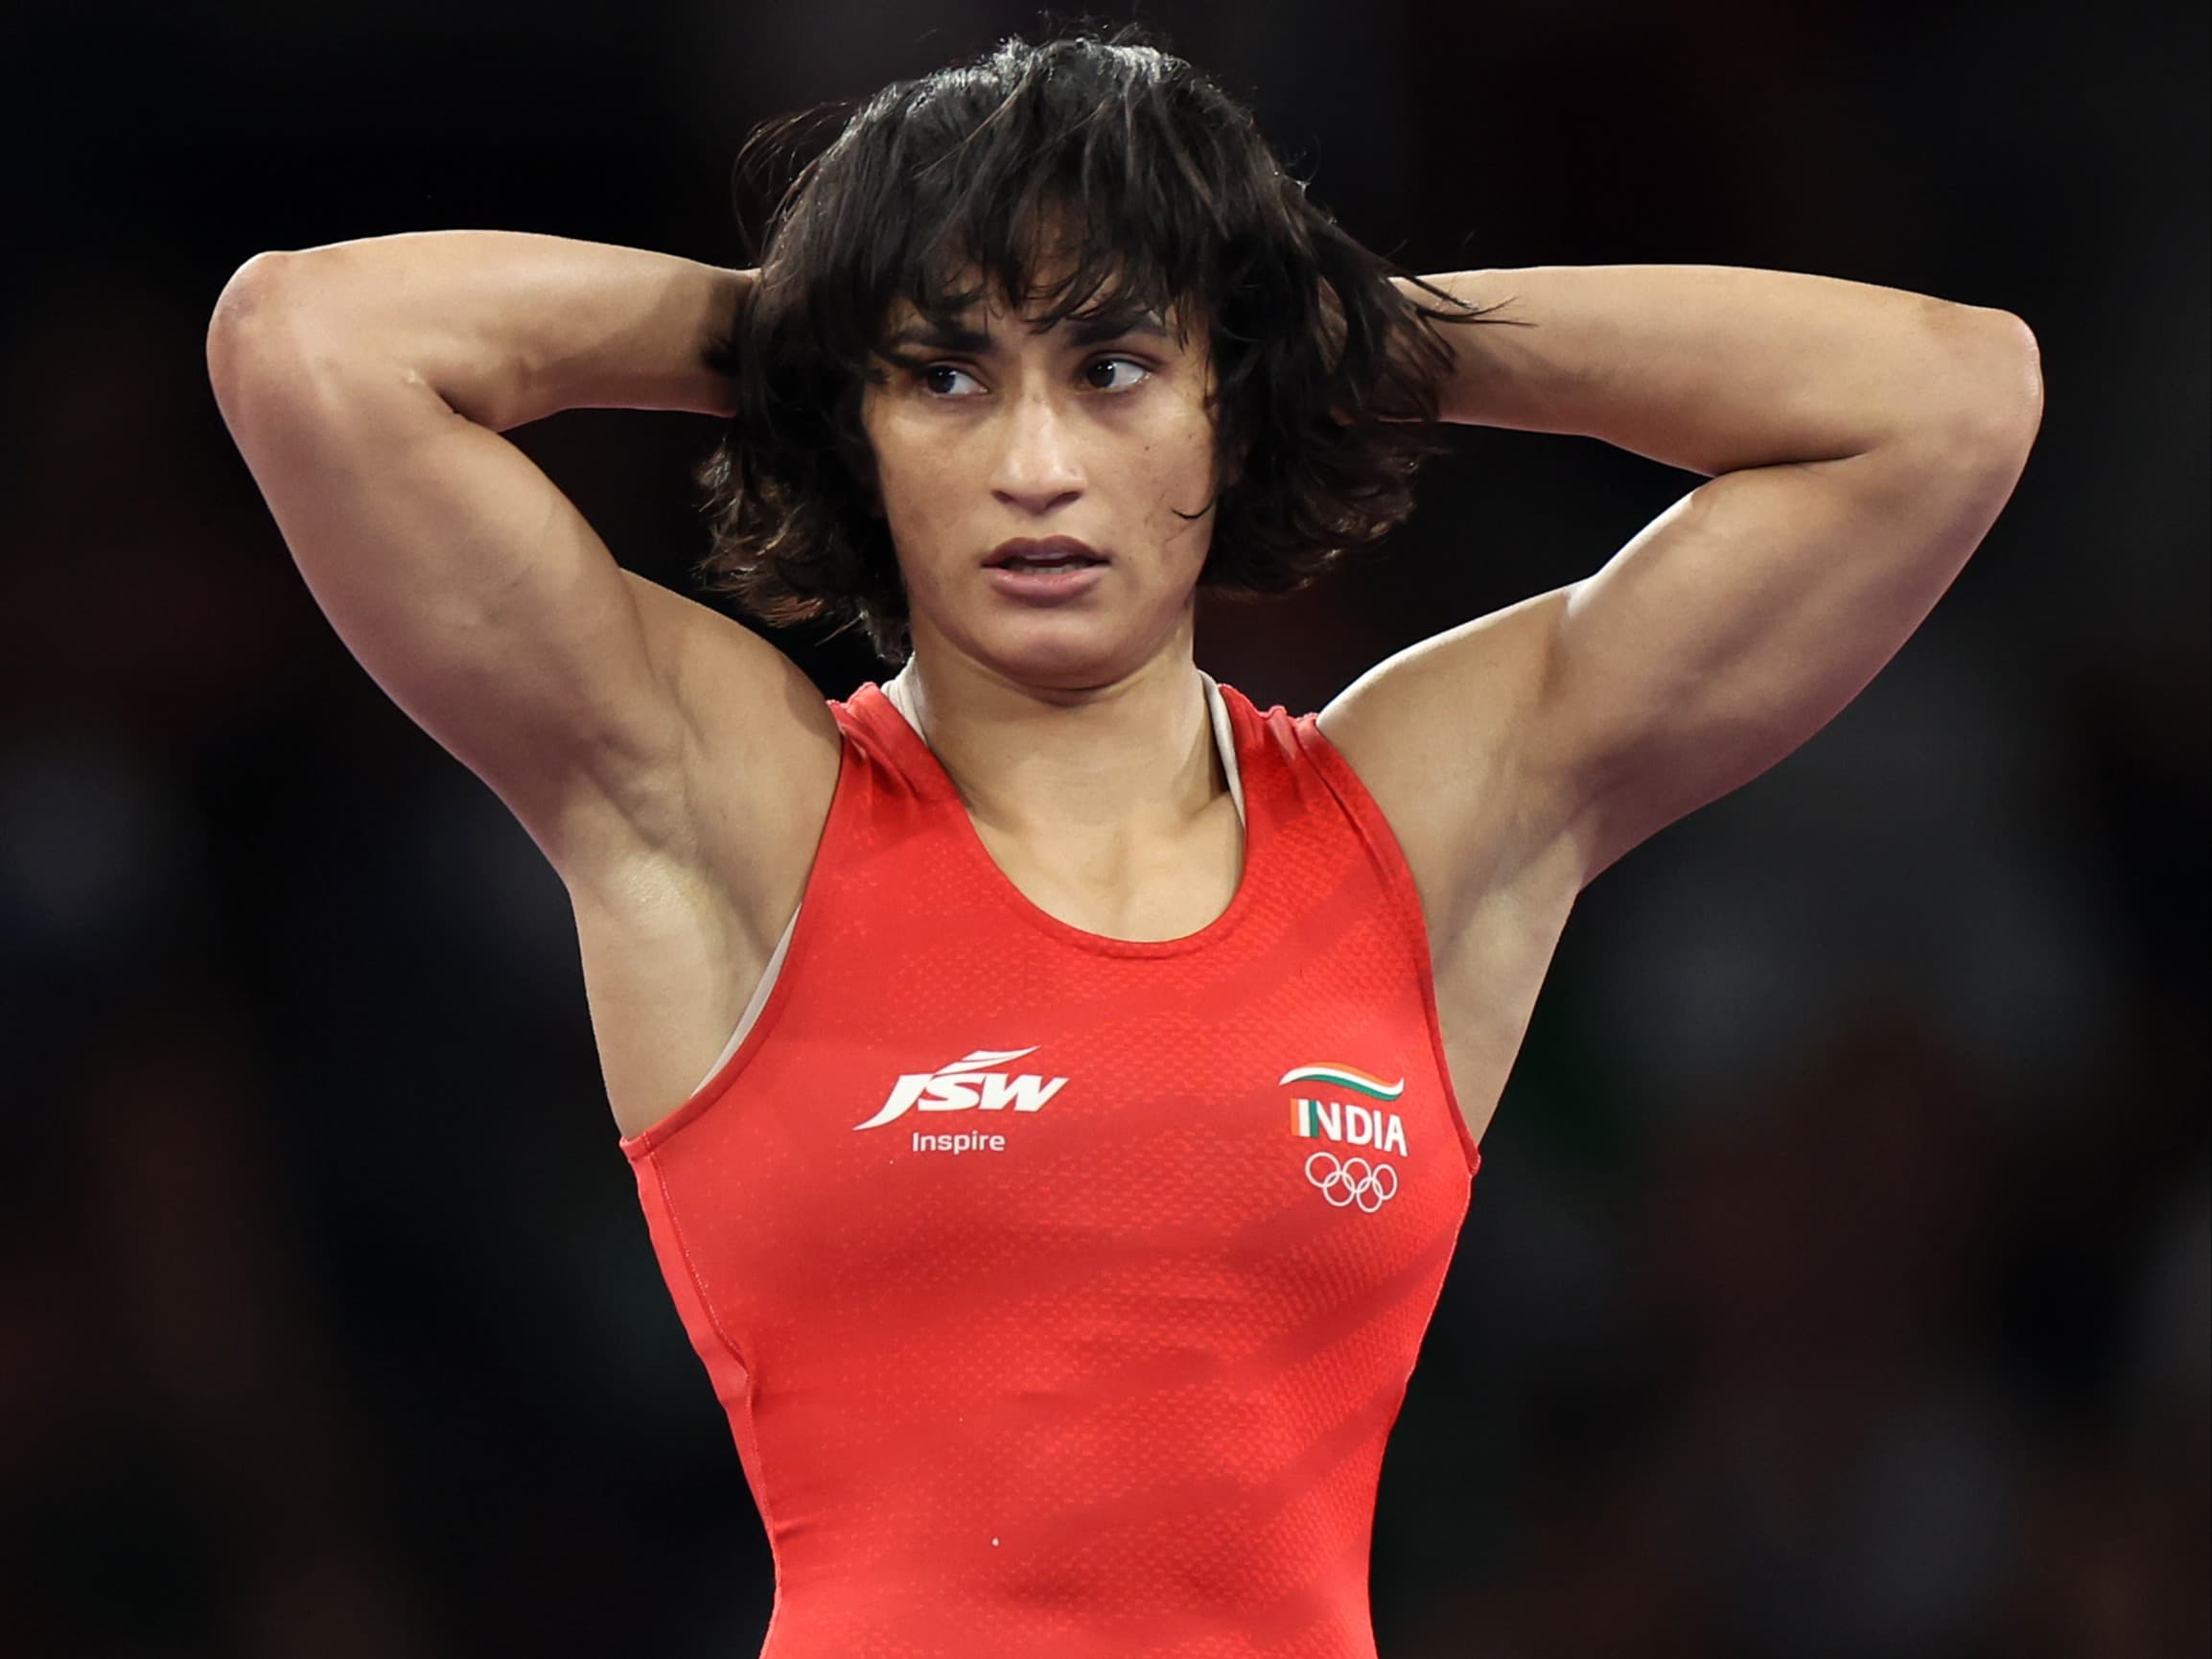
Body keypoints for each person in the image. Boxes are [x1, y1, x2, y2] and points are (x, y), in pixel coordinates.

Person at [203, 27, 2041, 1658]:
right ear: (859, 423)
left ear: (1228, 404)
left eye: (1113, 369)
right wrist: (806, 321)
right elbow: (309, 342)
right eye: (947, 378)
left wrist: (1336, 331)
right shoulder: (729, 799)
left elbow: (1951, 400)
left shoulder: (1421, 815)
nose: (1036, 467)